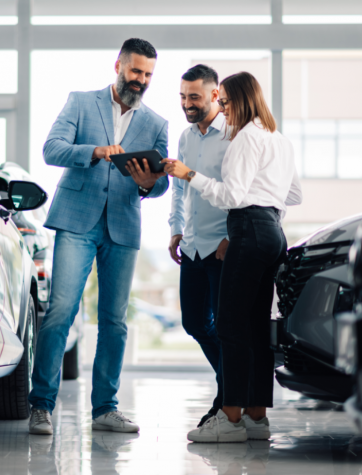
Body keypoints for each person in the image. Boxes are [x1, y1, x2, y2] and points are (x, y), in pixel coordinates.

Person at [28, 38, 169, 435]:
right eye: (136, 71)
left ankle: (105, 409)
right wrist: (95, 151)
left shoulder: (157, 123)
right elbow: (51, 149)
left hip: (123, 225)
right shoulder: (80, 102)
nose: (141, 80)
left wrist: (147, 184)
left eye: (147, 74)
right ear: (118, 66)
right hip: (77, 220)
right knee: (61, 311)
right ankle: (41, 405)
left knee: (114, 320)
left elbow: (160, 185)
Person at [163, 71, 302, 443]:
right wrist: (265, 199)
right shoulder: (280, 140)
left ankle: (231, 418)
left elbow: (233, 197)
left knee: (230, 324)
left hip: (247, 228)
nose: (222, 109)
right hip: (273, 230)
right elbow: (294, 195)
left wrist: (190, 174)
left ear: (239, 100)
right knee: (256, 326)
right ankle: (257, 418)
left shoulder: (244, 138)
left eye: (224, 102)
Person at [167, 64, 231, 428]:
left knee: (225, 328)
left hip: (221, 248)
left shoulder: (234, 135)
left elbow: (243, 193)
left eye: (194, 96)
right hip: (191, 245)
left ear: (214, 94)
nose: (187, 103)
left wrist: (232, 237)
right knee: (194, 323)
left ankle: (227, 400)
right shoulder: (186, 137)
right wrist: (176, 228)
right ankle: (231, 389)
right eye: (182, 96)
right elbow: (179, 186)